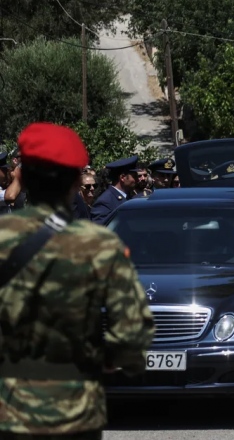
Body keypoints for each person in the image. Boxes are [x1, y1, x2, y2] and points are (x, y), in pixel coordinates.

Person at [0, 122, 155, 439]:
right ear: (75, 180)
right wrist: (111, 359)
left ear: (23, 177)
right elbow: (133, 330)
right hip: (75, 411)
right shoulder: (100, 245)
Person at [90, 156, 139, 226]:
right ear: (122, 177)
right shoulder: (105, 202)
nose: (138, 179)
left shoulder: (129, 196)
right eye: (134, 176)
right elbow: (100, 230)